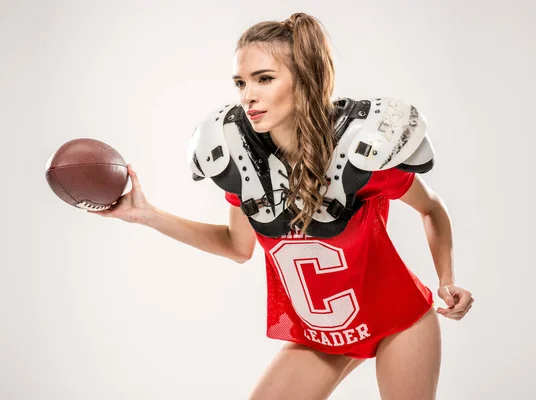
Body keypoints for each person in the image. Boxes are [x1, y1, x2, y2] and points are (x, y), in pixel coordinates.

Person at [92, 12, 474, 400]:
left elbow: (431, 208)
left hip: (400, 321)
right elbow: (236, 246)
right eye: (241, 82)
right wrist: (145, 214)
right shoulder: (242, 160)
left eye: (264, 78)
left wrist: (446, 279)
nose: (247, 96)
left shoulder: (359, 154)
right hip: (323, 333)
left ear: (304, 79)